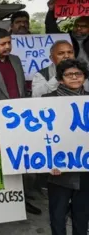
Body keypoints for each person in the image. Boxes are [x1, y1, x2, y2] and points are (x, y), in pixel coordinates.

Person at [0, 28, 41, 215]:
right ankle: (0, 201)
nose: (7, 47)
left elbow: (20, 87)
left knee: (22, 160)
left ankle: (21, 199)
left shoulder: (15, 60)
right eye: (2, 44)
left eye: (9, 42)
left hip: (20, 119)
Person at [43, 59, 89, 235]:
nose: (75, 77)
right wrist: (47, 163)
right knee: (57, 214)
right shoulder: (46, 101)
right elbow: (39, 138)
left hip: (85, 170)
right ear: (61, 79)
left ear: (84, 77)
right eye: (69, 74)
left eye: (79, 74)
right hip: (58, 169)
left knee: (82, 214)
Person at [46, 0, 89, 65]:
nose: (79, 28)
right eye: (76, 25)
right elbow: (51, 29)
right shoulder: (67, 38)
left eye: (83, 26)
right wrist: (51, 10)